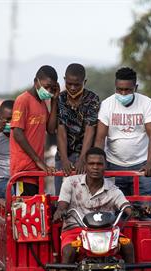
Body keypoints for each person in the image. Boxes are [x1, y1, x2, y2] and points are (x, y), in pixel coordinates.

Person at [51, 147, 133, 271]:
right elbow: (62, 204)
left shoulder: (113, 189)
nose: (95, 167)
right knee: (67, 251)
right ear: (85, 166)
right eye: (92, 163)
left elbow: (124, 204)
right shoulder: (71, 183)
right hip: (75, 230)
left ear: (105, 166)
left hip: (106, 233)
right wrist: (60, 211)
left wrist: (129, 210)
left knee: (128, 245)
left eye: (99, 164)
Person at [95, 67, 151, 196]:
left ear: (135, 87)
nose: (123, 94)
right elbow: (100, 138)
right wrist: (99, 163)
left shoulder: (147, 103)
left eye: (127, 90)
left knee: (145, 210)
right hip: (113, 164)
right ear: (115, 87)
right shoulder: (107, 104)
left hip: (142, 166)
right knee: (115, 210)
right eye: (119, 89)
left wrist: (150, 163)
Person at [10, 65, 59, 196]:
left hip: (37, 170)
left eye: (51, 88)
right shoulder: (23, 100)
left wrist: (54, 100)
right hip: (24, 169)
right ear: (36, 81)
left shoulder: (42, 103)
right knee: (24, 210)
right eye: (46, 86)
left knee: (36, 211)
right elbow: (17, 133)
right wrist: (38, 160)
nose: (48, 90)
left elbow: (50, 129)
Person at [55, 63, 100, 193]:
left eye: (77, 84)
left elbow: (90, 131)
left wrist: (82, 158)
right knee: (61, 196)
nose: (73, 88)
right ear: (64, 80)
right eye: (69, 84)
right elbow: (61, 130)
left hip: (85, 155)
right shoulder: (60, 99)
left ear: (84, 82)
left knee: (84, 195)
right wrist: (64, 159)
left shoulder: (93, 99)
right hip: (63, 155)